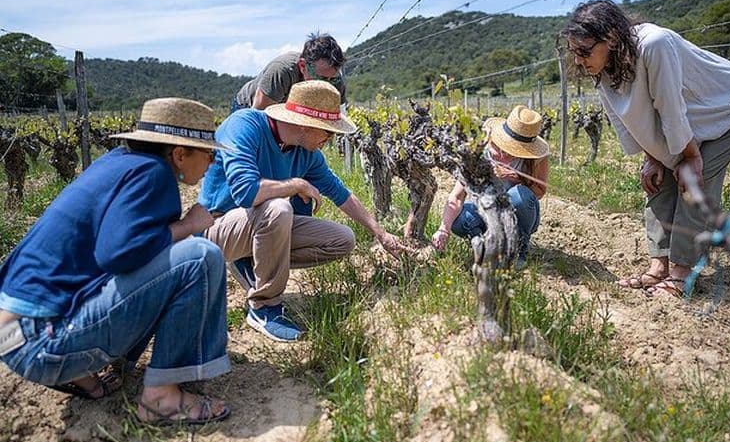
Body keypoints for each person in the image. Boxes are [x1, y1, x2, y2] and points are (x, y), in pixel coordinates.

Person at [0, 97, 232, 425]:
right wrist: (189, 226)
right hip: (42, 341)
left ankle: (85, 374)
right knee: (199, 257)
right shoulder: (154, 173)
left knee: (160, 258)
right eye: (210, 154)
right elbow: (118, 254)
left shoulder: (117, 163)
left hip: (13, 337)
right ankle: (162, 398)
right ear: (179, 154)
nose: (212, 163)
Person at [561, 0, 730, 298]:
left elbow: (670, 107)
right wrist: (652, 157)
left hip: (728, 107)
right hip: (686, 122)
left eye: (585, 52)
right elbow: (628, 120)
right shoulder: (603, 69)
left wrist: (691, 157)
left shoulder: (654, 44)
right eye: (575, 53)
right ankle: (659, 267)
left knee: (691, 184)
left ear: (612, 38)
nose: (578, 61)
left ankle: (682, 274)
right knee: (657, 182)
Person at [199, 80, 408, 343]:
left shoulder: (306, 153)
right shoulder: (244, 125)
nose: (329, 140)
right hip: (215, 230)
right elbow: (245, 192)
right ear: (305, 124)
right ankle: (264, 308)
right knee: (278, 208)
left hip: (258, 226)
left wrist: (380, 233)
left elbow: (340, 193)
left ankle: (252, 262)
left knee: (343, 239)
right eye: (327, 132)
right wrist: (296, 184)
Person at [432, 105, 549, 270]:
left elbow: (539, 192)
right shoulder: (481, 154)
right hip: (485, 213)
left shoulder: (535, 159)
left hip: (517, 216)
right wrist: (443, 229)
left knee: (519, 194)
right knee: (459, 219)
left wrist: (516, 178)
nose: (506, 154)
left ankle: (520, 245)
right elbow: (456, 196)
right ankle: (484, 247)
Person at [231, 32, 347, 112]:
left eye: (331, 79)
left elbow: (337, 120)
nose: (326, 85)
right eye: (321, 79)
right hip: (249, 106)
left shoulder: (336, 81)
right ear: (303, 66)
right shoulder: (281, 71)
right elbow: (257, 115)